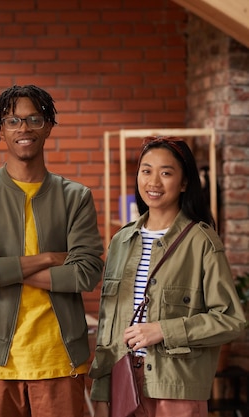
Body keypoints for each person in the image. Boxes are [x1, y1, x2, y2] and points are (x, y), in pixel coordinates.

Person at [0, 84, 105, 417]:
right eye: (13, 121)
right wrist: (48, 258)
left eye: (34, 119)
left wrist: (1, 269)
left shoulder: (76, 197)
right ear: (0, 131)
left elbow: (87, 272)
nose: (24, 129)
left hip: (59, 358)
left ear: (48, 126)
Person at [89, 136, 246, 417]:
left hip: (177, 390)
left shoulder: (202, 242)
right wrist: (101, 392)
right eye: (146, 171)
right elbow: (108, 327)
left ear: (184, 182)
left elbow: (231, 320)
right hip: (124, 386)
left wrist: (164, 330)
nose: (154, 182)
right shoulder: (121, 241)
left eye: (166, 173)